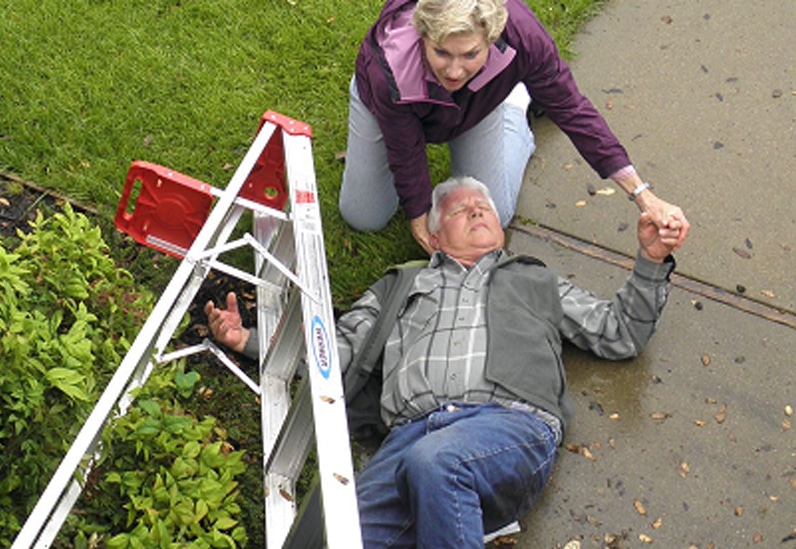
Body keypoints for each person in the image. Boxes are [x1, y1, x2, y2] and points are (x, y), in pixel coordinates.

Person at [205, 175, 683, 548]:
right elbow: (338, 351)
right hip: (407, 439)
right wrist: (250, 340)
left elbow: (617, 333)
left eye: (484, 208)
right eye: (460, 210)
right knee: (330, 537)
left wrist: (650, 261)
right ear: (434, 237)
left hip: (508, 425)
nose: (477, 211)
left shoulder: (535, 280)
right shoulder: (398, 285)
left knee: (439, 462)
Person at [338, 0, 690, 255]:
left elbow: (572, 109)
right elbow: (405, 148)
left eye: (470, 54)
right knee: (364, 216)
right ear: (423, 36)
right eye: (442, 53)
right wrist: (420, 218)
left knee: (498, 212)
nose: (455, 71)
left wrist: (643, 195)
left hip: (480, 102)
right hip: (387, 107)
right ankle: (510, 91)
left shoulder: (524, 38)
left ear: (490, 39)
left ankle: (515, 104)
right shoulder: (390, 67)